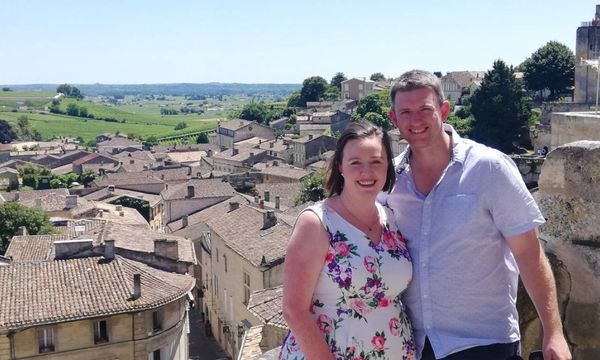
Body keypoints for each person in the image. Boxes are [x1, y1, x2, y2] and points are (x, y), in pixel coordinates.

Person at [380, 69, 571, 360]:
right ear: (394, 120)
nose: (415, 120)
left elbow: (530, 254)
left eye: (425, 109)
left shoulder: (490, 168)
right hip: (415, 346)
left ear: (444, 110)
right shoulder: (391, 181)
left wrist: (554, 333)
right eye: (405, 112)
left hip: (484, 343)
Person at [280, 122, 416, 360]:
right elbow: (294, 310)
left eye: (376, 162)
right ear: (340, 166)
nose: (367, 172)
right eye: (355, 163)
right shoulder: (318, 223)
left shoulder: (391, 219)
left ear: (387, 167)